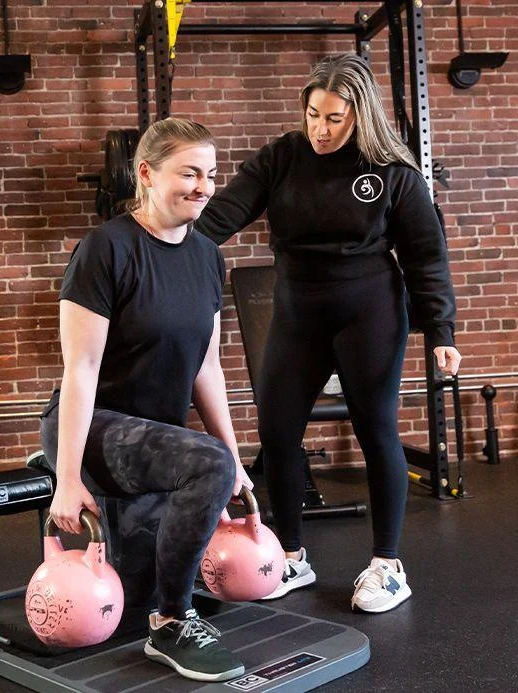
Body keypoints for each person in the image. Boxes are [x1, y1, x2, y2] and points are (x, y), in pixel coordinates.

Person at [195, 54, 462, 613]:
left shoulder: (392, 172)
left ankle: (388, 565)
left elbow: (424, 255)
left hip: (370, 309)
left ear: (359, 116)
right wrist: (168, 240)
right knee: (277, 429)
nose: (320, 128)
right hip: (297, 309)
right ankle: (289, 555)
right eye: (313, 114)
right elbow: (223, 214)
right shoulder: (283, 158)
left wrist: (441, 328)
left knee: (375, 429)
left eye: (334, 118)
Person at [40, 117, 253, 681]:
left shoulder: (208, 256)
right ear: (145, 173)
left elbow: (208, 367)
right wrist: (66, 477)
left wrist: (235, 464)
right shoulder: (105, 249)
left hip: (155, 435)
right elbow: (80, 370)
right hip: (91, 428)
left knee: (213, 465)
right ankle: (172, 621)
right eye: (189, 172)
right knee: (204, 463)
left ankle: (160, 603)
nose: (204, 186)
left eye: (210, 174)